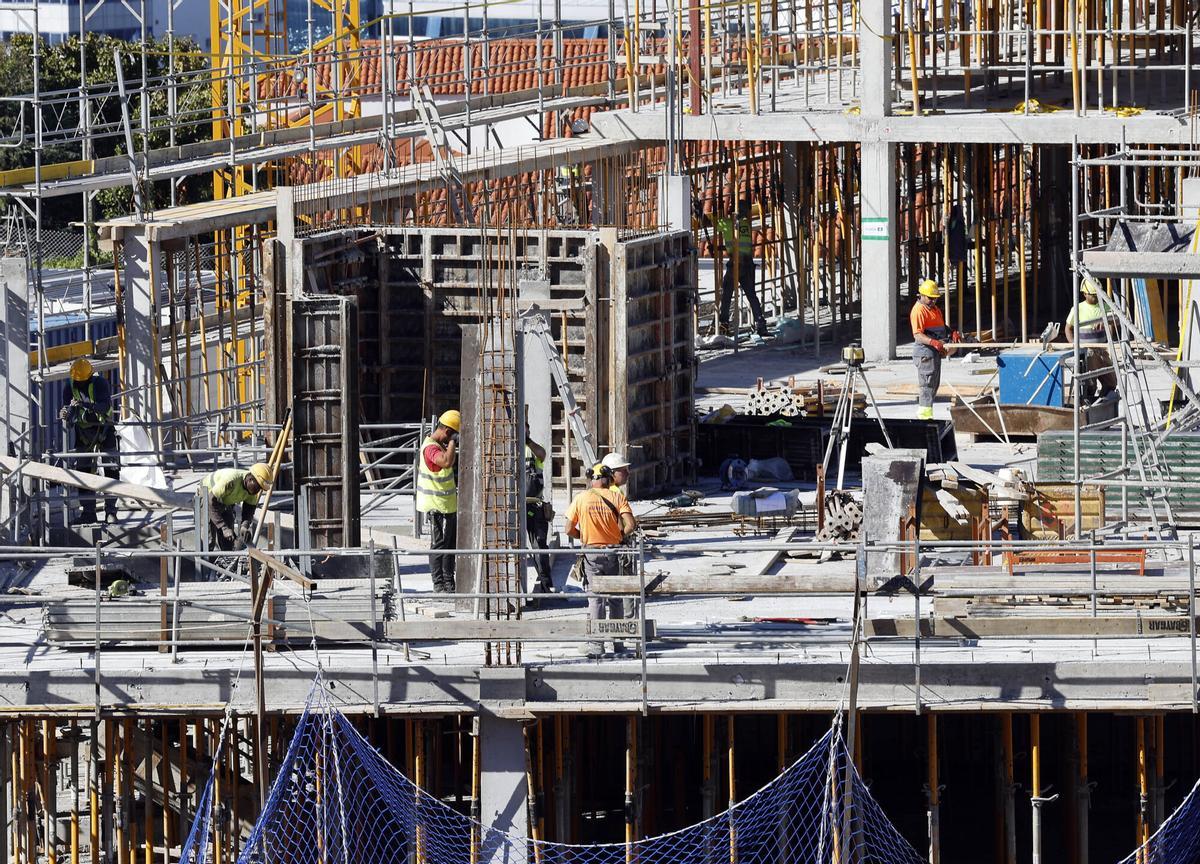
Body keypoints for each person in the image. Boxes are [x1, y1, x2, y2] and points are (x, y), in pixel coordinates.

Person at [565, 463, 637, 658]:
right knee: (615, 599)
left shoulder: (581, 498)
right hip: (613, 552)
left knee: (595, 600)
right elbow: (631, 525)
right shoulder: (617, 497)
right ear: (608, 479)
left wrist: (584, 536)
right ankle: (618, 643)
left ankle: (597, 646)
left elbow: (568, 529)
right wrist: (619, 536)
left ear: (591, 479)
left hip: (591, 554)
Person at [59, 358, 118, 523]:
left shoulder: (100, 384)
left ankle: (111, 512)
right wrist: (66, 412)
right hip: (84, 432)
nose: (79, 384)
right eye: (77, 381)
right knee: (84, 472)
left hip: (104, 429)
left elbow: (104, 406)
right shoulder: (69, 387)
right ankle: (88, 512)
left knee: (111, 470)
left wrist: (84, 405)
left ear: (90, 377)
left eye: (82, 381)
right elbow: (69, 413)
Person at [418, 409, 460, 593]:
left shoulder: (439, 445)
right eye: (453, 435)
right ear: (448, 431)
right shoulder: (431, 448)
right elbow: (446, 462)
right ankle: (439, 584)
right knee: (439, 545)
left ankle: (449, 583)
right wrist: (452, 442)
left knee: (449, 546)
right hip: (437, 506)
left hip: (447, 505)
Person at [714, 199, 769, 338]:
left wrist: (717, 211)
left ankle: (723, 325)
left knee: (726, 295)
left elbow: (713, 225)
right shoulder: (746, 225)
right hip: (747, 263)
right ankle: (760, 323)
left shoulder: (727, 223)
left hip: (735, 264)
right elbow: (738, 243)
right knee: (751, 295)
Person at [909, 279, 958, 420]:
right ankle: (924, 416)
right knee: (927, 385)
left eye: (935, 298)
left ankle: (927, 413)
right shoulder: (918, 310)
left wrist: (951, 332)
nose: (933, 301)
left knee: (934, 384)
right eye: (930, 298)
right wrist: (933, 342)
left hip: (934, 351)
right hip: (925, 352)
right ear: (922, 295)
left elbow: (941, 326)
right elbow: (918, 335)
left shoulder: (935, 309)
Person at [1064, 277, 1116, 398]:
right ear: (1085, 294)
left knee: (1112, 382)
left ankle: (1103, 399)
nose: (1096, 297)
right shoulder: (1078, 309)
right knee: (1089, 383)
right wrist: (1073, 345)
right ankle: (1089, 398)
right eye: (1093, 295)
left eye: (1097, 294)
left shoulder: (1104, 307)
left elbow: (1115, 321)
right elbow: (1068, 328)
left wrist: (1107, 322)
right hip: (1087, 352)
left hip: (1102, 350)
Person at [202, 463, 271, 551]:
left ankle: (227, 556)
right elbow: (211, 502)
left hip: (224, 500)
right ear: (250, 479)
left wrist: (244, 526)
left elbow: (249, 510)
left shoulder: (252, 492)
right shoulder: (230, 480)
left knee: (228, 538)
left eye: (260, 488)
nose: (258, 490)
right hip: (208, 496)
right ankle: (205, 558)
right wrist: (223, 527)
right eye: (258, 486)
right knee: (209, 539)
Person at [525, 435, 553, 594]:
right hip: (515, 505)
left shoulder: (532, 448)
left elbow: (542, 454)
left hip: (533, 504)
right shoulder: (507, 449)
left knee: (539, 544)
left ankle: (546, 584)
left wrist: (527, 440)